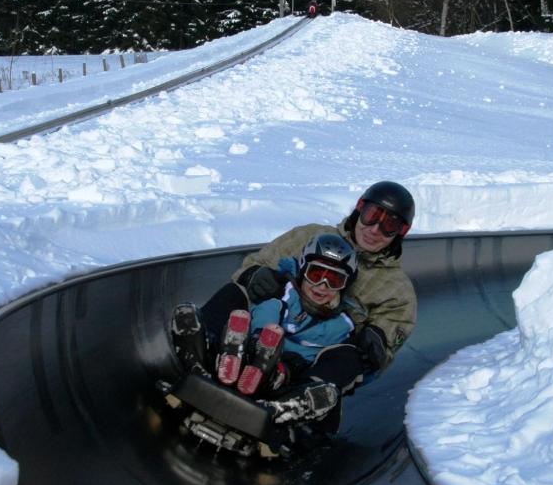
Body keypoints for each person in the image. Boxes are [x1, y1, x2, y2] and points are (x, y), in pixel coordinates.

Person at [171, 181, 416, 430]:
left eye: (389, 225)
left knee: (349, 357)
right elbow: (252, 266)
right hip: (266, 326)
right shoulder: (309, 236)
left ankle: (298, 401)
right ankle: (206, 354)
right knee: (235, 293)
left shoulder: (396, 291)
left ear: (401, 232)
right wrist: (255, 275)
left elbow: (389, 341)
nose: (375, 229)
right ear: (359, 209)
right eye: (373, 215)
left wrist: (375, 341)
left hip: (310, 359)